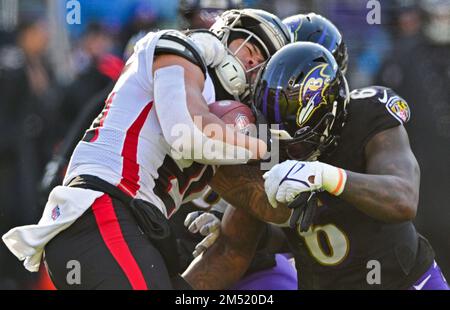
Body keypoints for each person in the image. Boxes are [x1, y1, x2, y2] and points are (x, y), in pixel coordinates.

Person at [2, 9, 291, 290]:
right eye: (251, 46)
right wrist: (264, 145)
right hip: (102, 211)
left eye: (263, 62)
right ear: (223, 36)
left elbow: (267, 205)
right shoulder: (178, 50)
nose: (253, 60)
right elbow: (187, 134)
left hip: (128, 231)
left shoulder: (229, 128)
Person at [183, 42, 449, 290]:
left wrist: (325, 176)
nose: (288, 152)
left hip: (406, 282)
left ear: (331, 115)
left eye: (297, 144)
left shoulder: (367, 116)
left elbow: (403, 199)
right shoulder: (270, 142)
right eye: (279, 140)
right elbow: (255, 243)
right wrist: (254, 234)